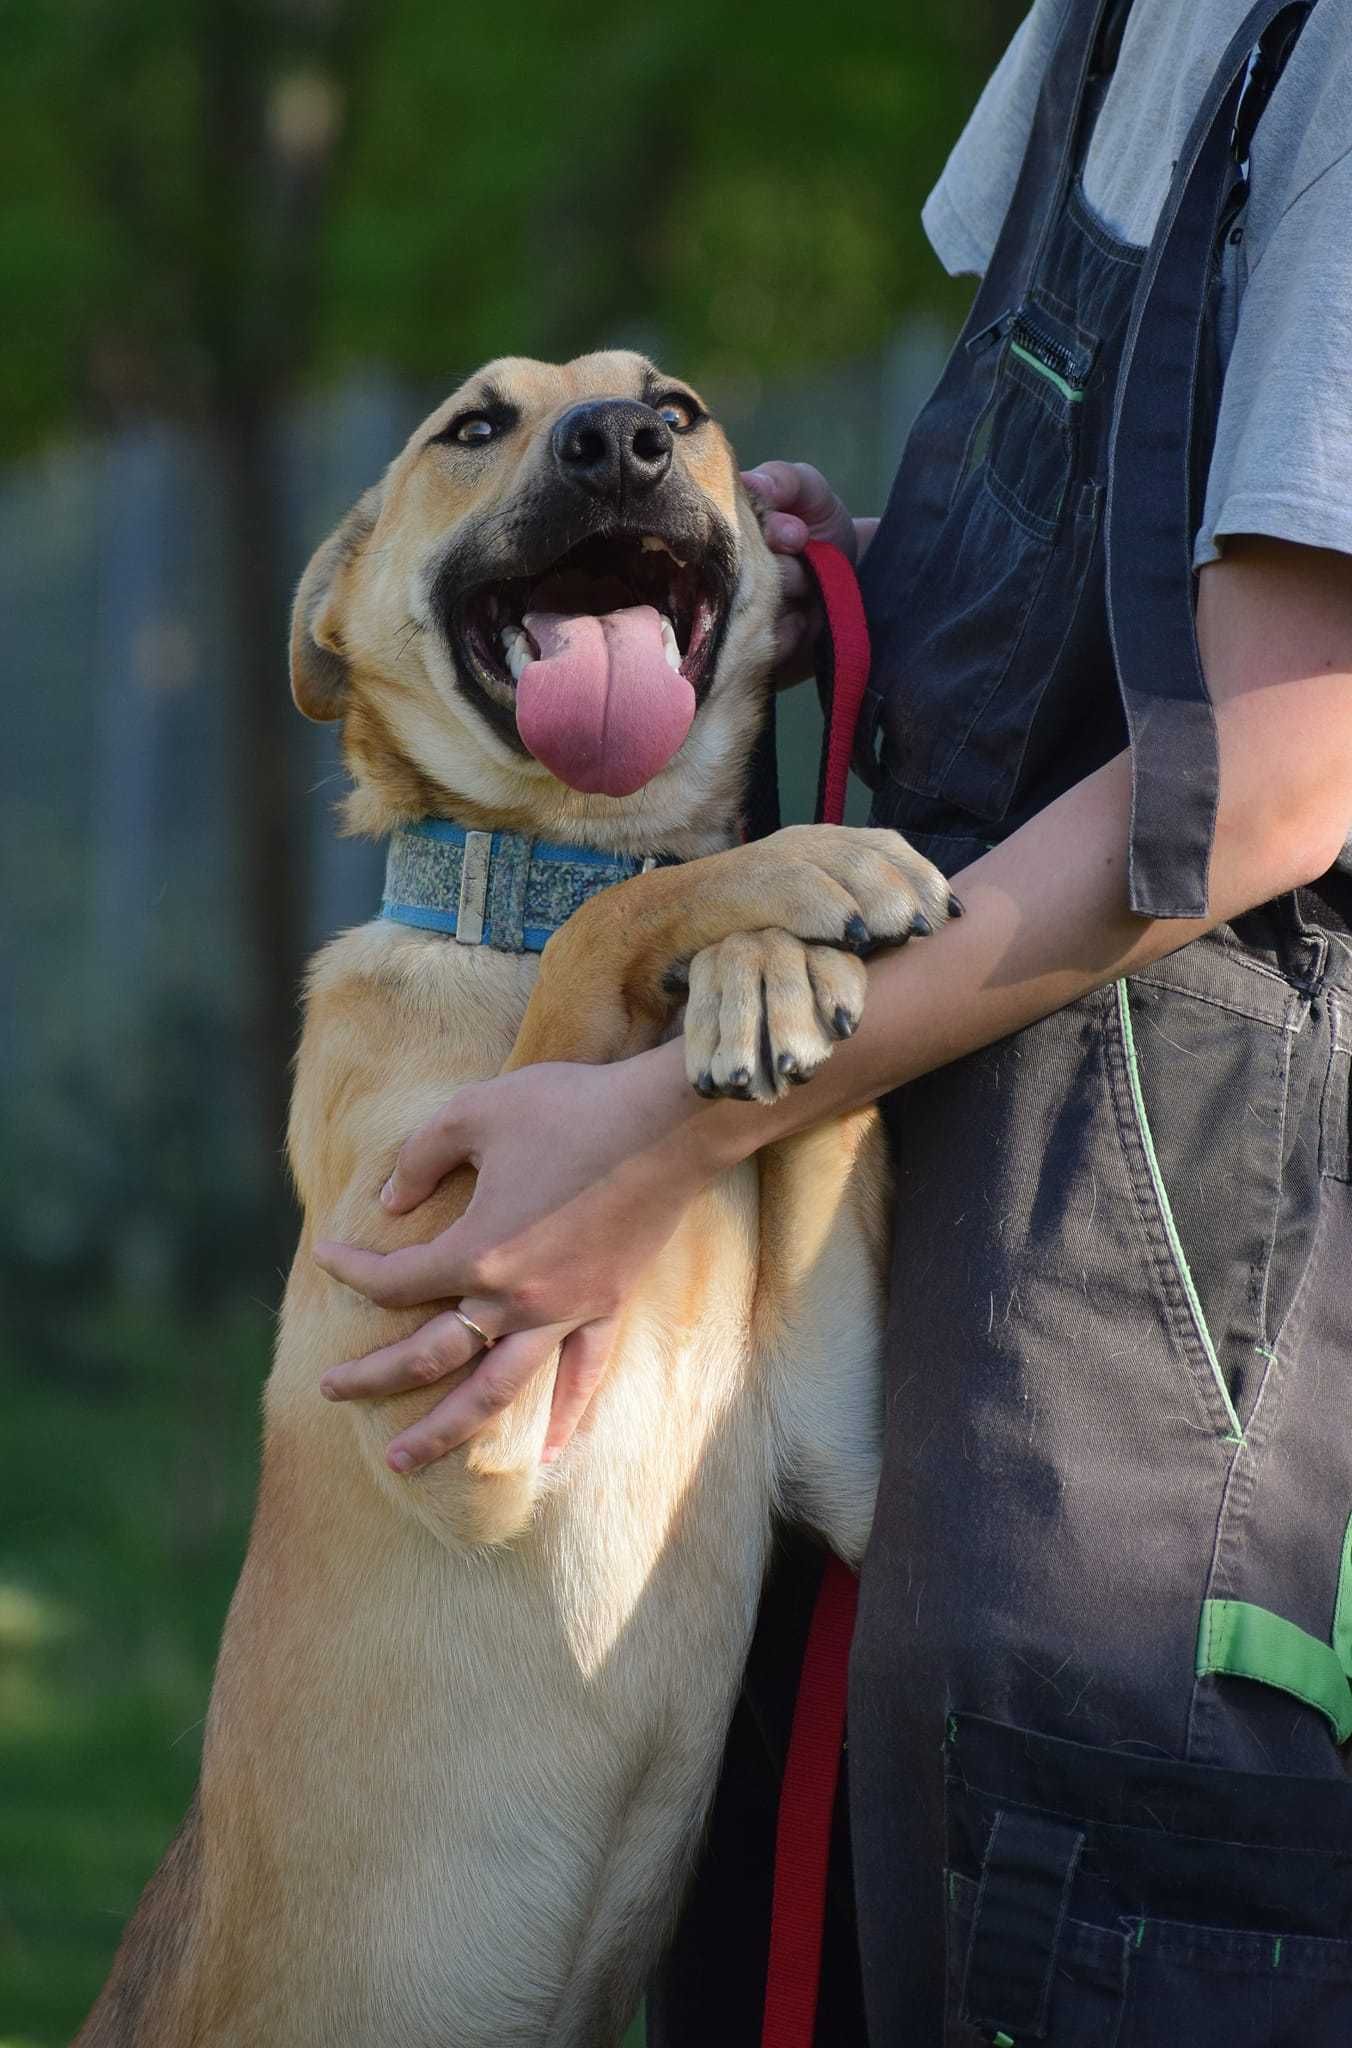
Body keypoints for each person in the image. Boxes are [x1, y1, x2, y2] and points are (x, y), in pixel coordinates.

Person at [314, 0, 1352, 2037]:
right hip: (935, 1138)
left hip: (1163, 1275)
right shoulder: (1093, 30)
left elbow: (1286, 764)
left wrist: (660, 1124)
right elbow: (1082, 594)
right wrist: (861, 591)